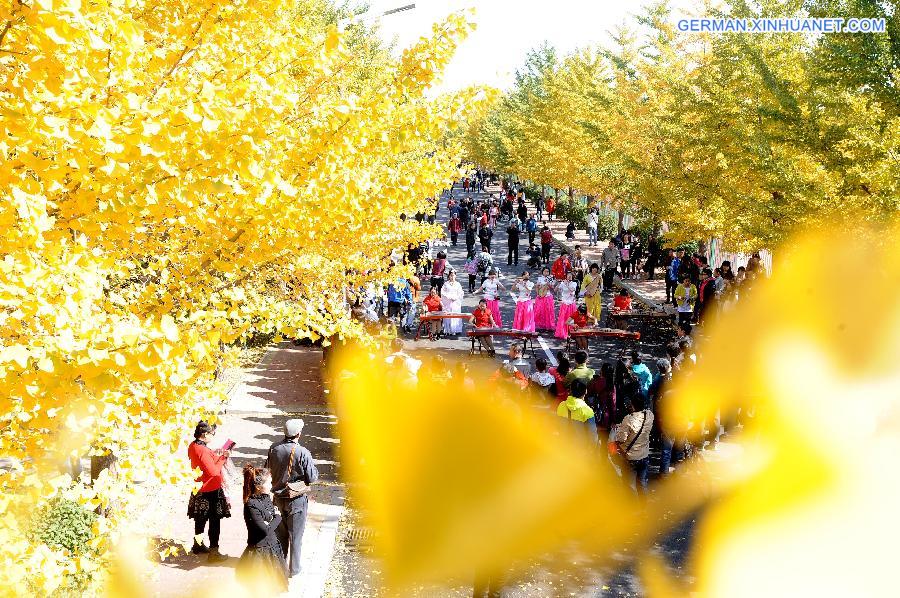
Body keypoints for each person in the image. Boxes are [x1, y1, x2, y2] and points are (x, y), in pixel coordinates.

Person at [267, 419, 319, 580]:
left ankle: (280, 567)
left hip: (278, 498)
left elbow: (267, 469)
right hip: (296, 499)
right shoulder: (302, 452)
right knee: (295, 536)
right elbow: (312, 477)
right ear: (299, 433)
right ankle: (294, 569)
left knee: (280, 535)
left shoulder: (273, 448)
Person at [236, 465, 289, 594]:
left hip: (273, 546)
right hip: (260, 551)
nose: (272, 485)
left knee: (274, 586)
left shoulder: (265, 497)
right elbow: (265, 529)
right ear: (258, 487)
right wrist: (275, 517)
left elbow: (270, 519)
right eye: (268, 482)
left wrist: (271, 519)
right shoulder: (250, 505)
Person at [187, 421, 231, 562]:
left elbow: (205, 463)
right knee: (214, 521)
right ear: (205, 434)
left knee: (200, 519)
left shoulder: (193, 446)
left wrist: (215, 455)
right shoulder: (203, 450)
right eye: (212, 434)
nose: (213, 436)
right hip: (210, 489)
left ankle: (198, 544)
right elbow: (213, 471)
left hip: (198, 487)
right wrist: (223, 457)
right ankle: (214, 553)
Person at [614, 395, 654, 495]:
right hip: (644, 455)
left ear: (632, 405)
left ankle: (632, 507)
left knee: (629, 485)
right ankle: (643, 506)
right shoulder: (649, 415)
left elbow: (621, 439)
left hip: (630, 457)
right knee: (642, 482)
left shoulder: (628, 419)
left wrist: (619, 430)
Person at [586, 363, 616, 435]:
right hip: (606, 416)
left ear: (602, 371)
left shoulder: (596, 381)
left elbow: (588, 393)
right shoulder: (612, 385)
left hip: (596, 413)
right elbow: (613, 404)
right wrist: (614, 420)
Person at [554, 271, 578, 340]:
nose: (569, 276)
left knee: (571, 319)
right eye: (568, 275)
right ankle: (562, 332)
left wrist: (566, 284)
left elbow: (572, 290)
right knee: (563, 318)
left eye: (571, 275)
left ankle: (571, 333)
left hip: (571, 304)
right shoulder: (563, 283)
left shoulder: (574, 283)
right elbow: (555, 290)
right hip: (564, 303)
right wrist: (559, 283)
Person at [440, 270, 464, 336]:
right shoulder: (446, 284)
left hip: (455, 303)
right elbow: (443, 293)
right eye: (451, 275)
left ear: (455, 276)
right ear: (449, 276)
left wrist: (456, 298)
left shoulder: (458, 284)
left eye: (453, 275)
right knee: (448, 315)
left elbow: (461, 293)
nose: (452, 277)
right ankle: (448, 330)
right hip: (448, 302)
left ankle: (456, 329)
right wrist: (449, 297)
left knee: (455, 315)